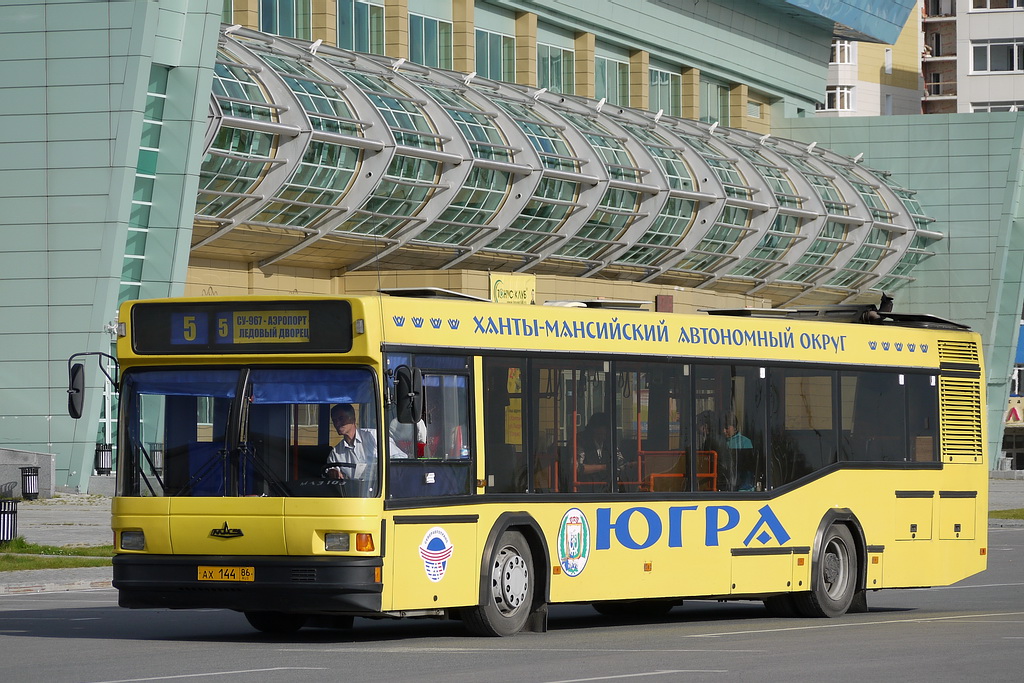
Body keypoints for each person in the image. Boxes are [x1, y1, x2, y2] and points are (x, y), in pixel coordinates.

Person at [324, 403, 409, 495]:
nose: (337, 423)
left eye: (341, 419)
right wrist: (333, 472)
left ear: (353, 419)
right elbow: (330, 469)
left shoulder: (374, 437)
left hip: (381, 491)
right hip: (354, 495)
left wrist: (379, 467)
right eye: (334, 420)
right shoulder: (336, 452)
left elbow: (401, 458)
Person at [575, 412, 623, 490]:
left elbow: (621, 462)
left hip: (607, 490)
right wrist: (604, 467)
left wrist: (633, 465)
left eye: (605, 428)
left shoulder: (610, 444)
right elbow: (577, 468)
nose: (603, 431)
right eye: (599, 428)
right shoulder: (582, 442)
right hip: (585, 490)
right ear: (592, 429)